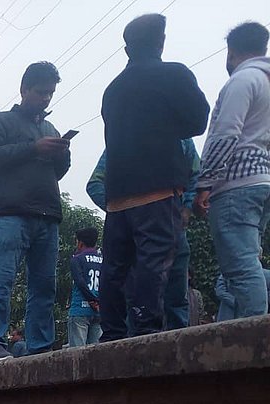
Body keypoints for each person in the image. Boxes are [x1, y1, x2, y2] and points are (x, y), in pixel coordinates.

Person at [97, 14, 210, 342]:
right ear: (160, 42)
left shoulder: (112, 90)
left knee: (115, 268)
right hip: (157, 190)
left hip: (117, 195)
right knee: (154, 260)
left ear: (127, 48)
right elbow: (197, 120)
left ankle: (113, 335)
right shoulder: (173, 74)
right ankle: (146, 334)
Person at [0, 61, 71, 361]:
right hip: (10, 215)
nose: (45, 98)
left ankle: (40, 348)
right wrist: (33, 149)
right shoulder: (0, 121)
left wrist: (62, 154)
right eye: (41, 92)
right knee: (2, 280)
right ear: (24, 90)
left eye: (50, 94)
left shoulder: (50, 128)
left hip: (47, 215)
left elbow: (58, 173)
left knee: (44, 288)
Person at [194, 21, 270, 321]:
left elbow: (226, 134)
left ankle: (255, 335)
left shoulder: (244, 80)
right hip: (262, 180)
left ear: (231, 51)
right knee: (248, 262)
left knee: (240, 267)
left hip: (236, 183)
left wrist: (205, 183)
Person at [85, 138, 201, 330]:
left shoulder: (181, 139)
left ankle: (179, 351)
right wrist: (122, 212)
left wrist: (185, 210)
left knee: (177, 298)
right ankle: (137, 350)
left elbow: (195, 175)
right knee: (139, 303)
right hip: (139, 236)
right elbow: (95, 184)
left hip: (173, 228)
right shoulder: (123, 140)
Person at [68, 227, 103, 347]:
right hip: (99, 310)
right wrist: (98, 301)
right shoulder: (103, 260)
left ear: (80, 243)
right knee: (97, 351)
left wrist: (91, 299)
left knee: (77, 353)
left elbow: (80, 282)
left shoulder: (76, 259)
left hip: (80, 309)